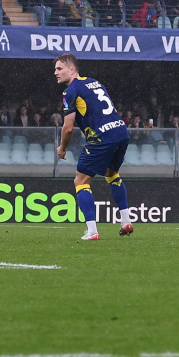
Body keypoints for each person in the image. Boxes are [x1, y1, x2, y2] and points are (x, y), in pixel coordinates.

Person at [54, 54, 134, 240]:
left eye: (59, 69)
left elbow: (67, 127)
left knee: (80, 182)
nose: (56, 73)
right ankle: (126, 221)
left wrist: (62, 148)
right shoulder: (94, 82)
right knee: (111, 174)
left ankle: (92, 231)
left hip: (102, 137)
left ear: (72, 69)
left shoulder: (70, 92)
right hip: (121, 131)